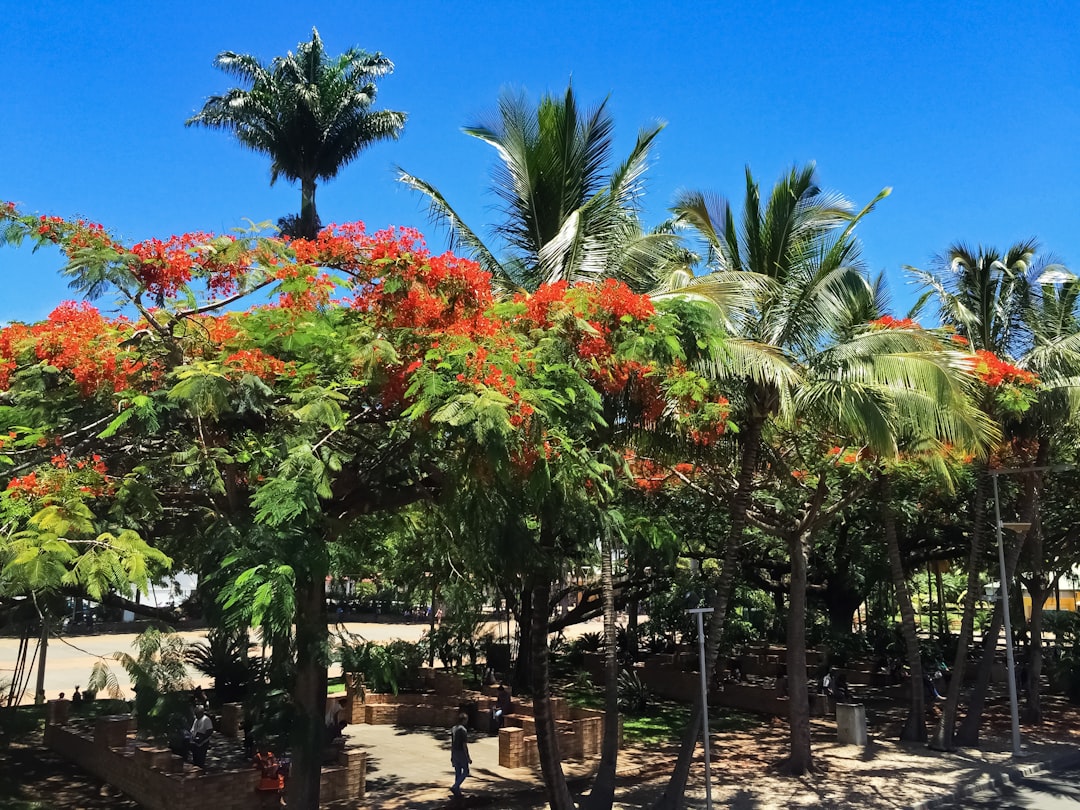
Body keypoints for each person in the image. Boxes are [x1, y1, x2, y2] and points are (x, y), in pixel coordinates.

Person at [449, 711, 471, 798]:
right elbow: (464, 745)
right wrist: (468, 757)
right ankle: (455, 786)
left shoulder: (454, 728)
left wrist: (451, 755)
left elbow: (452, 742)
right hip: (461, 752)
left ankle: (457, 791)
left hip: (454, 751)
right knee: (466, 771)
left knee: (458, 771)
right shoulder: (463, 730)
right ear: (464, 720)